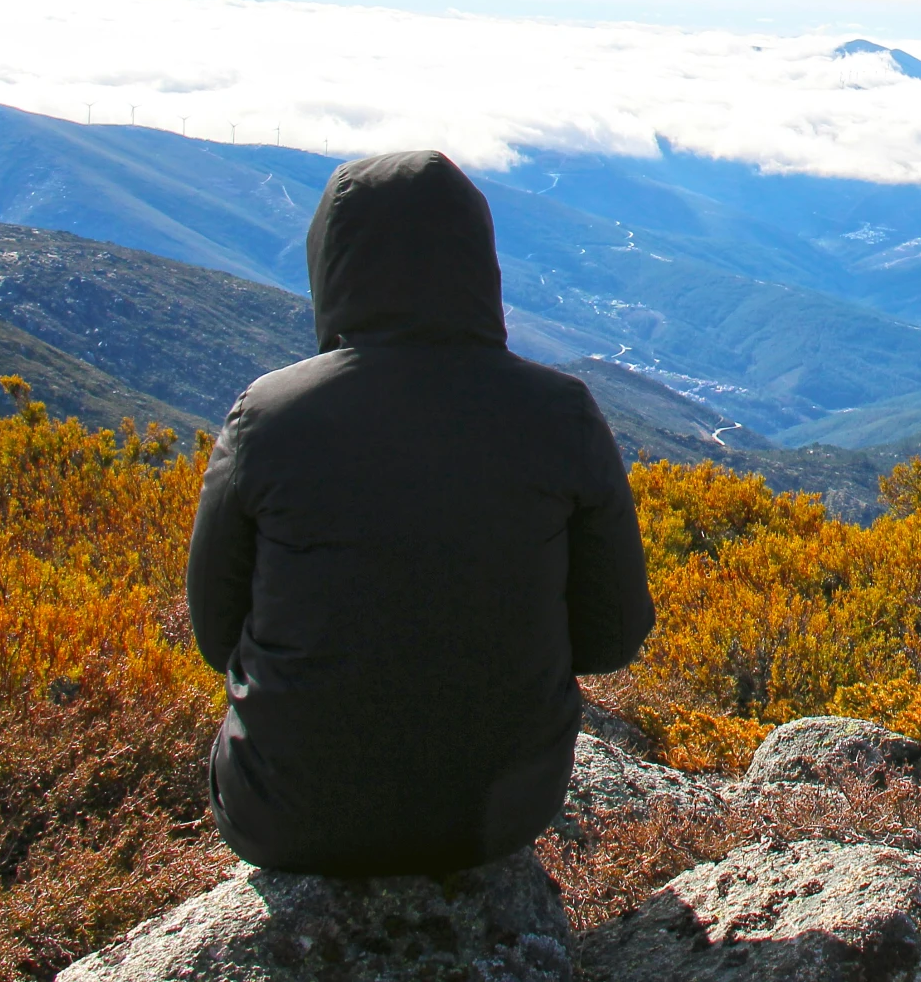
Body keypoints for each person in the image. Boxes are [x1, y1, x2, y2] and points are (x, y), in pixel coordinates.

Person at [186, 150, 654, 875]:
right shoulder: (562, 414)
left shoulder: (267, 417)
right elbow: (613, 636)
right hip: (499, 813)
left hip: (284, 814)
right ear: (479, 264)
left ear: (330, 263)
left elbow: (217, 636)